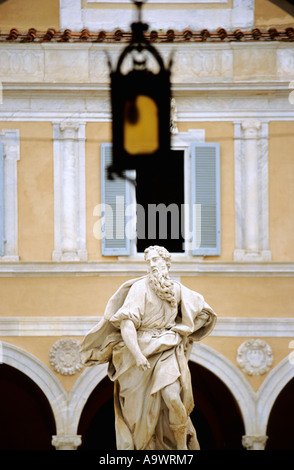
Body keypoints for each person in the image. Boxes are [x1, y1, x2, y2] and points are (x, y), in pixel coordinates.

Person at [80, 245, 217, 450]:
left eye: (156, 260)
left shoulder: (178, 290)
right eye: (149, 261)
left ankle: (181, 447)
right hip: (140, 351)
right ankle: (144, 447)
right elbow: (127, 324)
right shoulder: (139, 288)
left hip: (167, 349)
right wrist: (137, 355)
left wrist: (180, 331)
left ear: (166, 262)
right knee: (138, 417)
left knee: (172, 397)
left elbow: (205, 313)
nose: (152, 265)